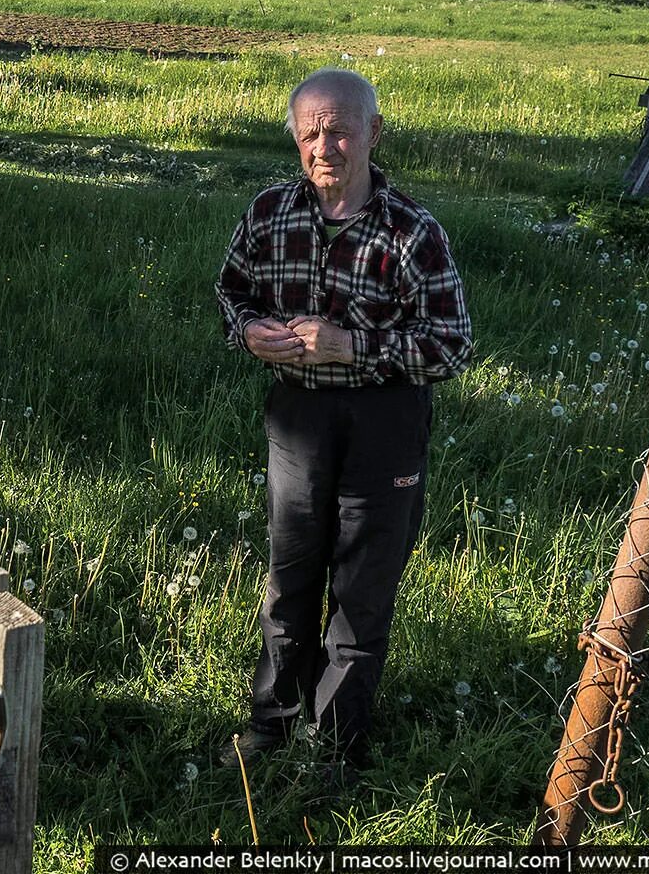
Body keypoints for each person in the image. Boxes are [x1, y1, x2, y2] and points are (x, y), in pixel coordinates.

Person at [214, 67, 473, 772]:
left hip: (385, 416)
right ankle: (271, 724)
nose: (322, 146)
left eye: (338, 130)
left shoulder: (414, 231)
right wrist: (248, 332)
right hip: (298, 414)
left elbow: (453, 345)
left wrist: (355, 346)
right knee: (289, 572)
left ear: (373, 133)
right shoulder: (271, 212)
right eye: (309, 133)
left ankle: (336, 748)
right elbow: (231, 289)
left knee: (362, 586)